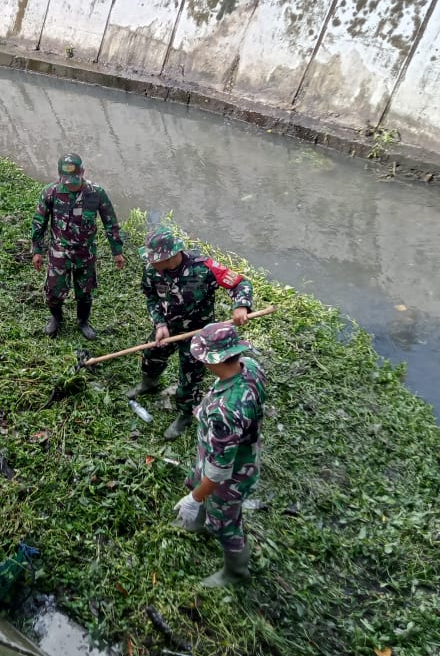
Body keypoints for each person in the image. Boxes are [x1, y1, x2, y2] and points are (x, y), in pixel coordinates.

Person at [129, 226, 254, 440]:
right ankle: (148, 383)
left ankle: (185, 414)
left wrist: (241, 306)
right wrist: (159, 324)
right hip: (168, 329)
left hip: (199, 334)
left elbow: (240, 283)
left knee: (190, 377)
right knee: (151, 356)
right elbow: (151, 298)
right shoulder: (152, 271)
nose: (151, 263)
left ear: (169, 255)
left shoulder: (204, 267)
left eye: (154, 259)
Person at [172, 322, 267, 587]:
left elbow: (218, 471)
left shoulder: (225, 411)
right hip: (233, 451)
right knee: (199, 480)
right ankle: (197, 523)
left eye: (203, 357)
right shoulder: (250, 368)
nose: (201, 362)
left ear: (216, 360)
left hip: (231, 474)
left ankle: (235, 572)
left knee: (226, 522)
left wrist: (195, 497)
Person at [30, 153, 125, 340]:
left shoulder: (96, 193)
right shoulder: (51, 192)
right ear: (59, 176)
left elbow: (110, 222)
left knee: (85, 293)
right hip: (59, 254)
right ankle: (56, 318)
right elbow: (39, 222)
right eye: (66, 181)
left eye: (75, 180)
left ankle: (83, 321)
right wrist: (37, 251)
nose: (71, 185)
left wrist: (117, 251)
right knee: (53, 293)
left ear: (83, 172)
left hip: (85, 254)